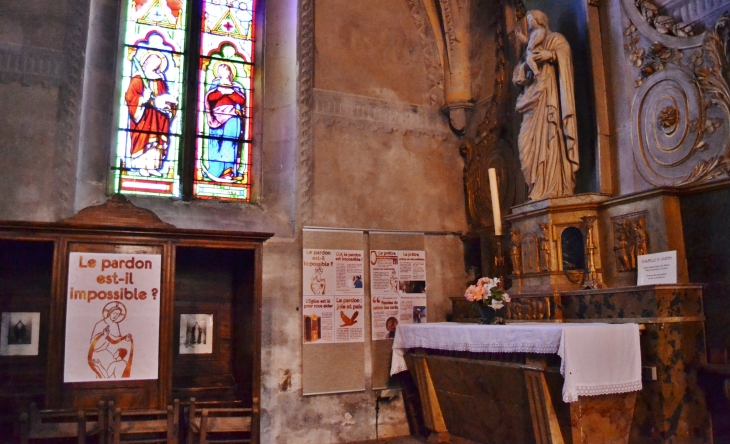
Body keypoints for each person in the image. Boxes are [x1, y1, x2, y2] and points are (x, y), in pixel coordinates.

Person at [512, 10, 579, 201]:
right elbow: (518, 74)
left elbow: (565, 55)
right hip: (531, 99)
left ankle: (552, 185)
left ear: (541, 20)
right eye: (529, 21)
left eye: (532, 20)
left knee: (550, 138)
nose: (530, 23)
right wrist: (526, 67)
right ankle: (536, 186)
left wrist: (550, 55)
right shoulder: (529, 46)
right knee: (526, 145)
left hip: (549, 99)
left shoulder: (555, 39)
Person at [124, 51, 178, 177]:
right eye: (153, 62)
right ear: (147, 62)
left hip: (158, 116)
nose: (155, 66)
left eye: (157, 64)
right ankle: (142, 166)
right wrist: (143, 99)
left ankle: (153, 166)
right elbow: (130, 97)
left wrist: (168, 105)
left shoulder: (160, 80)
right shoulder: (138, 79)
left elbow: (163, 95)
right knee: (145, 139)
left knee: (157, 142)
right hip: (144, 116)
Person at [204, 62, 246, 181]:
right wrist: (221, 92)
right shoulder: (215, 84)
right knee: (215, 143)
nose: (225, 71)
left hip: (232, 117)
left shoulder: (236, 86)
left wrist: (230, 92)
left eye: (227, 69)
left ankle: (228, 171)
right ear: (219, 73)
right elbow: (210, 98)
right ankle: (215, 170)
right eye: (222, 70)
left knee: (229, 143)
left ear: (230, 72)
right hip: (217, 117)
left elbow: (241, 100)